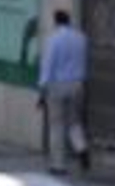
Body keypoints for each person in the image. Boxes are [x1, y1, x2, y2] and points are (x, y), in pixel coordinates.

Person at [38, 9, 89, 176]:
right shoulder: (81, 38)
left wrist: (42, 91)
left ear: (55, 22)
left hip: (57, 86)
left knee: (57, 126)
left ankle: (58, 165)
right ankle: (81, 148)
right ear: (69, 20)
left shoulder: (53, 40)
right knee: (74, 122)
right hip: (77, 84)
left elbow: (48, 66)